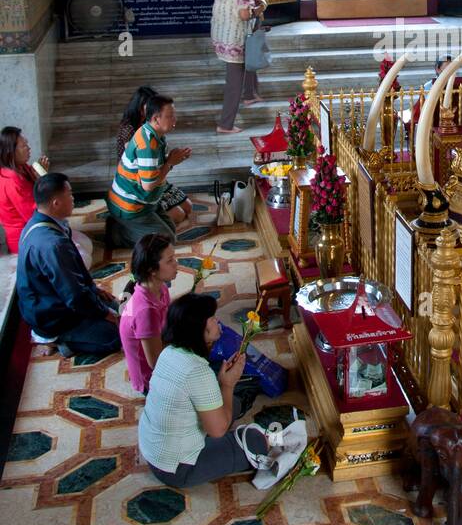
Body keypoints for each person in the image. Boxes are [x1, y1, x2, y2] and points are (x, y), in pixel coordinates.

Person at [138, 293, 273, 488]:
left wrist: (224, 385)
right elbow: (217, 431)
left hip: (152, 449)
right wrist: (227, 384)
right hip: (177, 469)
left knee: (232, 406)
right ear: (199, 329)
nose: (217, 321)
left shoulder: (169, 352)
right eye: (212, 318)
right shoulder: (198, 372)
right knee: (256, 441)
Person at [16, 173, 121, 357]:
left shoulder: (42, 221)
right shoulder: (52, 244)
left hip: (55, 299)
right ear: (56, 203)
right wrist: (105, 314)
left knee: (117, 307)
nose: (73, 199)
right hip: (52, 315)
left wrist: (95, 291)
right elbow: (74, 295)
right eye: (70, 194)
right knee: (117, 335)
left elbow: (74, 275)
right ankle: (61, 341)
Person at [0, 126, 92, 265]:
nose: (28, 148)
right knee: (83, 259)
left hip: (43, 226)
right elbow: (35, 215)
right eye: (24, 146)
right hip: (30, 237)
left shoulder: (22, 167)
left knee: (86, 244)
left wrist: (41, 176)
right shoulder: (12, 181)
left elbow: (37, 192)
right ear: (11, 152)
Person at [107, 95, 191, 247]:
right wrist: (170, 162)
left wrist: (171, 159)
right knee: (164, 243)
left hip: (146, 203)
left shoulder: (153, 134)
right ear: (156, 119)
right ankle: (118, 233)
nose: (175, 120)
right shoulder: (147, 144)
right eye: (170, 116)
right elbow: (148, 185)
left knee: (170, 232)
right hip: (131, 206)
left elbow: (154, 169)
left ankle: (125, 226)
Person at [210, 0, 268, 134]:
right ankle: (225, 124)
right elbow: (244, 15)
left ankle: (250, 95)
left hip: (221, 37)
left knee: (245, 66)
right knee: (234, 84)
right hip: (235, 41)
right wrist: (261, 7)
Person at [119, 234, 178, 394]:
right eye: (170, 260)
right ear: (152, 270)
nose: (176, 263)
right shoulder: (146, 311)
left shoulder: (160, 288)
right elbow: (156, 362)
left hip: (162, 347)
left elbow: (168, 323)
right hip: (151, 380)